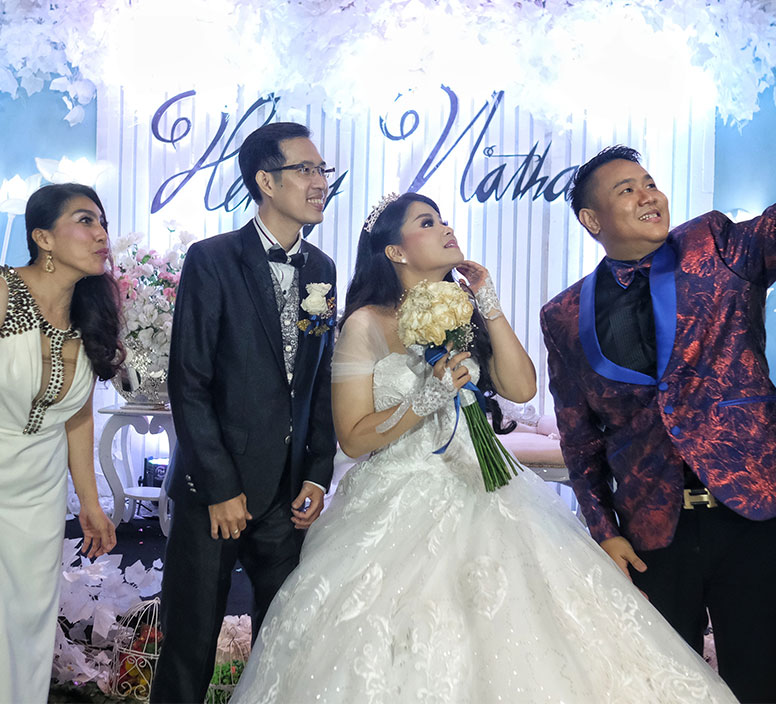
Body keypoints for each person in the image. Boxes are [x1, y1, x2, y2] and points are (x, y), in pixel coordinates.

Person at [231, 192, 736, 704]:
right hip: (401, 492)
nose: (446, 228)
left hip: (489, 481)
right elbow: (354, 436)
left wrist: (488, 303)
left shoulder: (465, 310)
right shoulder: (365, 323)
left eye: (444, 219)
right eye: (427, 222)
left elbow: (522, 388)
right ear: (395, 251)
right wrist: (424, 401)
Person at [540, 145, 776, 703]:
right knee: (666, 687)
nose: (649, 195)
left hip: (752, 510)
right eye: (627, 189)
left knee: (762, 678)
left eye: (649, 183)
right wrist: (604, 531)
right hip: (653, 528)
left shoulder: (715, 244)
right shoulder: (563, 316)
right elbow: (579, 437)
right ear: (591, 220)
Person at [150, 122, 338, 704]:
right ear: (266, 181)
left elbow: (318, 379)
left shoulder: (322, 269)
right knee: (190, 646)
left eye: (322, 170)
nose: (319, 182)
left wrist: (317, 472)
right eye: (305, 170)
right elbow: (190, 383)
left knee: (283, 646)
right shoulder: (212, 259)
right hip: (216, 493)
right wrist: (219, 487)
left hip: (288, 495)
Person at [0, 182, 121, 704]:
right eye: (85, 221)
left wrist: (90, 503)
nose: (101, 234)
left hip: (38, 500)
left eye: (103, 223)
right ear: (43, 238)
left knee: (25, 629)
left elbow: (76, 417)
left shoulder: (87, 318)